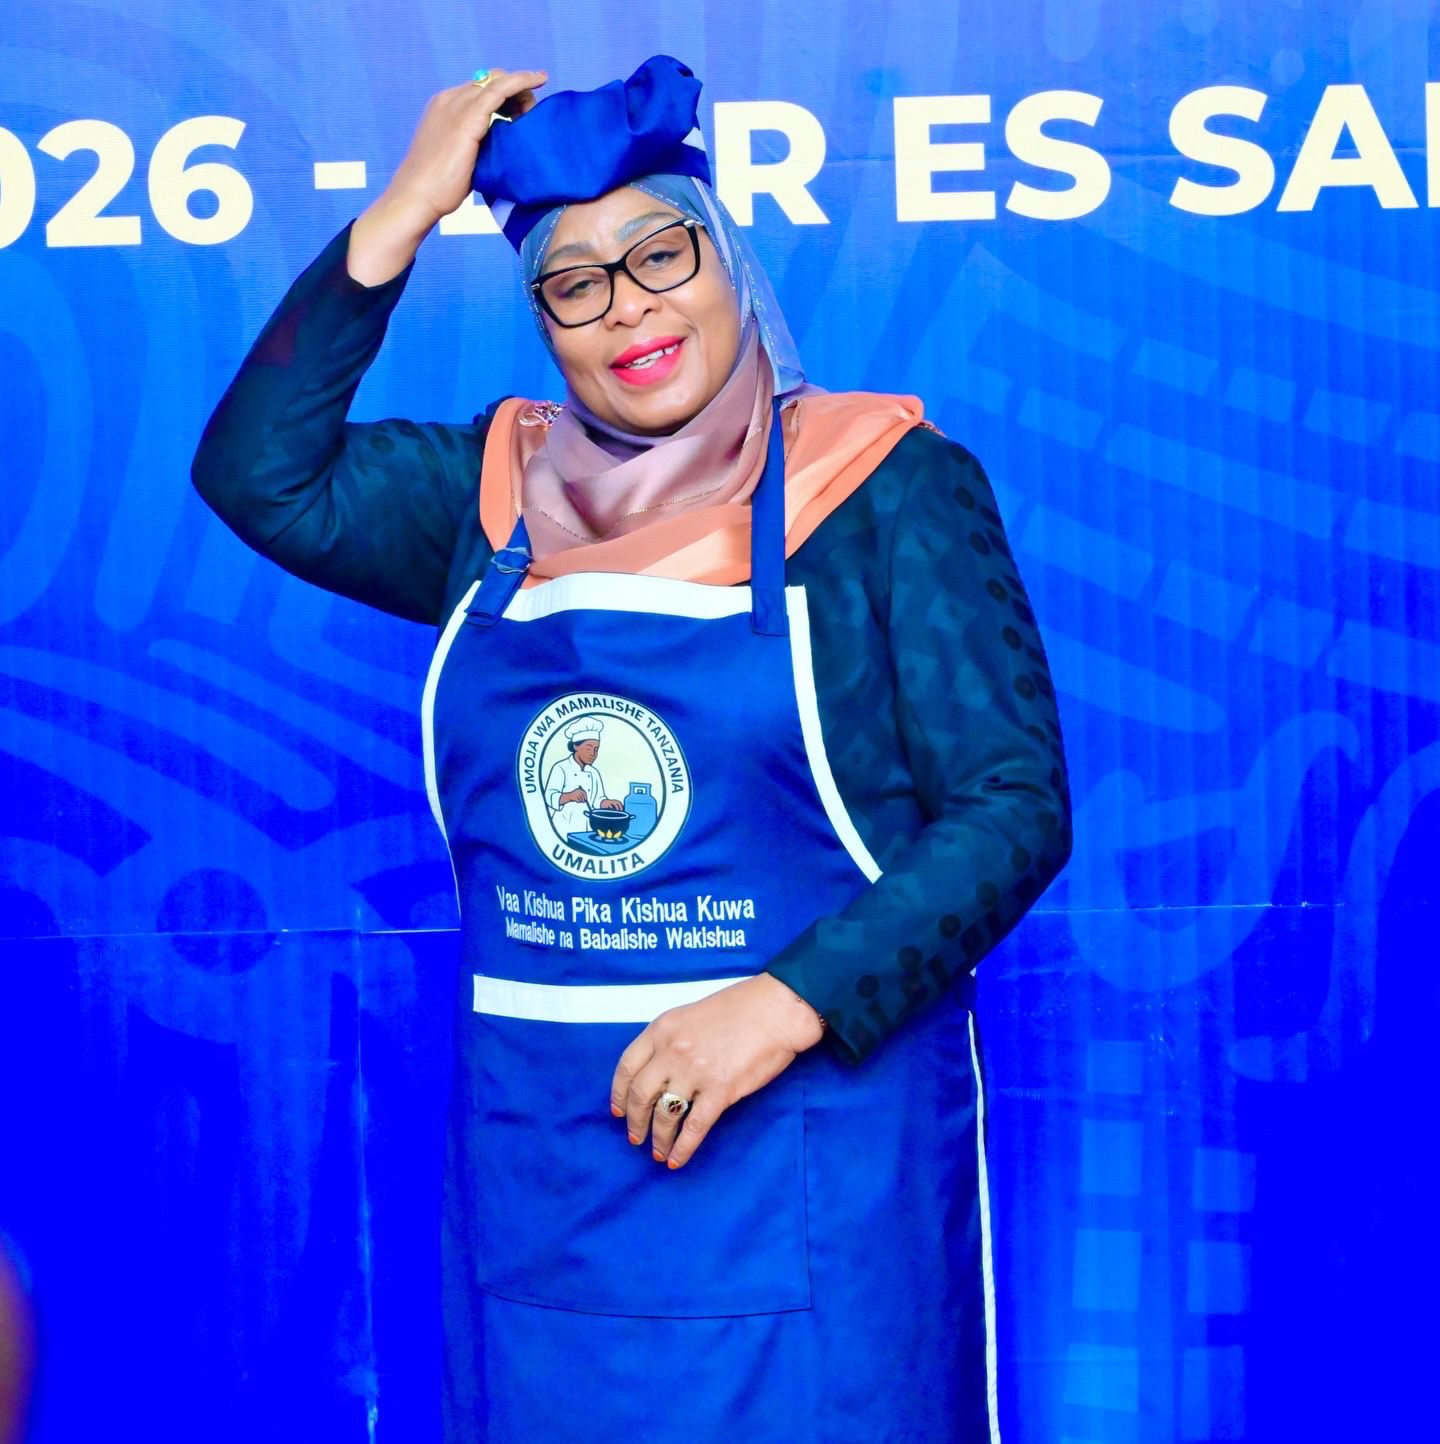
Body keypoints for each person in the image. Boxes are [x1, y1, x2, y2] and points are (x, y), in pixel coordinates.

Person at [192, 54, 1071, 1443]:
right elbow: (259, 475)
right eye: (574, 283)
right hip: (548, 1185)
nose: (629, 308)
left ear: (727, 261)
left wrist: (782, 1004)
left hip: (813, 1169)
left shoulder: (885, 487)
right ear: (544, 320)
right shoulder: (490, 491)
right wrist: (404, 213)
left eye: (662, 255)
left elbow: (1012, 804)